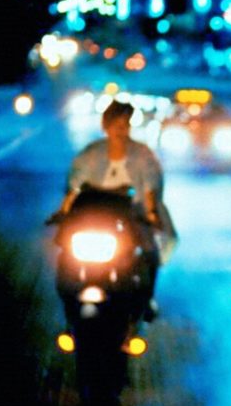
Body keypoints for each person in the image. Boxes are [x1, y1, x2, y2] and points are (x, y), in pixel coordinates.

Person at [55, 99, 177, 318]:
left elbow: (150, 188)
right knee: (65, 251)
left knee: (150, 251)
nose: (121, 131)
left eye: (125, 125)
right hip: (91, 219)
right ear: (106, 126)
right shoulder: (90, 154)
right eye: (116, 125)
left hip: (130, 219)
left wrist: (151, 214)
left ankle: (147, 299)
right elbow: (73, 187)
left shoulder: (143, 155)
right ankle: (68, 305)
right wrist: (64, 211)